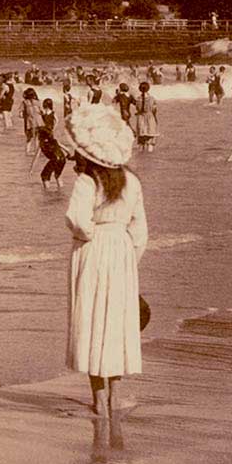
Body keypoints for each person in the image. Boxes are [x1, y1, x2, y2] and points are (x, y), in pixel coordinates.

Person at [63, 104, 147, 418]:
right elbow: (141, 231)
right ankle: (115, 397)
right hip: (122, 250)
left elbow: (78, 220)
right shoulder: (132, 182)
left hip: (94, 249)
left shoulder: (87, 182)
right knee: (116, 324)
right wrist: (129, 259)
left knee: (91, 319)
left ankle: (98, 400)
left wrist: (86, 240)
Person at [133, 82, 158, 152]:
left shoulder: (138, 99)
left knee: (141, 141)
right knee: (150, 140)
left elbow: (137, 108)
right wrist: (156, 119)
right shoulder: (152, 99)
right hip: (150, 119)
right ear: (148, 89)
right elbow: (154, 110)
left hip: (140, 119)